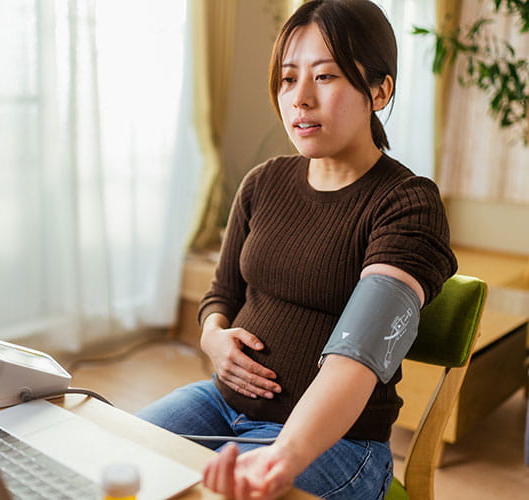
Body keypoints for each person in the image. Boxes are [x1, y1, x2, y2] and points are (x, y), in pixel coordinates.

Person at [136, 1, 458, 499]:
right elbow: (220, 297)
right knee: (114, 454)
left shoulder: (407, 204)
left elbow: (362, 350)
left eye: (325, 77)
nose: (300, 99)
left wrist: (284, 454)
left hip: (337, 443)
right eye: (288, 79)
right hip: (220, 404)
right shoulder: (263, 182)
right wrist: (214, 340)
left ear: (379, 90)